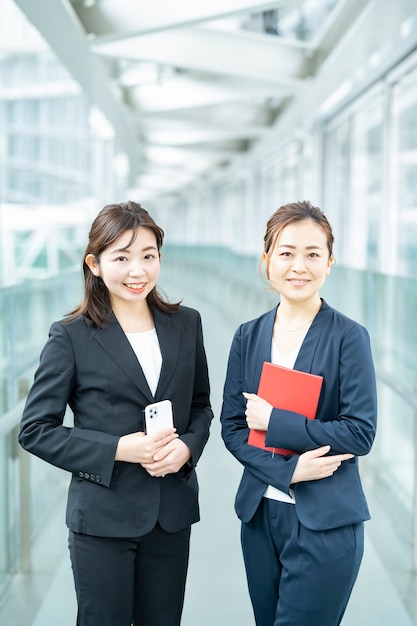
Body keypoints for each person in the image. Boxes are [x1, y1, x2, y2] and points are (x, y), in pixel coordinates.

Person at [19, 201, 213, 626]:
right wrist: (119, 449)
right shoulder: (71, 335)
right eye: (121, 258)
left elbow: (200, 407)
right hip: (103, 519)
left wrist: (187, 449)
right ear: (95, 263)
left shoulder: (186, 325)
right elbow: (35, 429)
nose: (137, 271)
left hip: (170, 514)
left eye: (148, 256)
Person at [220, 200, 377, 626]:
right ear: (267, 259)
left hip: (324, 522)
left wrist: (277, 423)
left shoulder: (348, 337)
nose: (299, 266)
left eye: (312, 254)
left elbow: (360, 433)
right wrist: (286, 473)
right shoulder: (248, 336)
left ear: (330, 262)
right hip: (259, 517)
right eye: (286, 252)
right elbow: (232, 428)